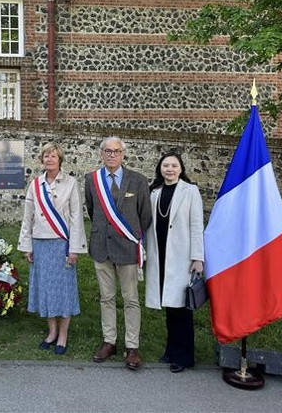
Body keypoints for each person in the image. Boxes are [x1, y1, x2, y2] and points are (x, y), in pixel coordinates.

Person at [85, 137, 151, 370]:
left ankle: (132, 346)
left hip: (127, 247)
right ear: (101, 154)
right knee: (107, 297)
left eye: (116, 151)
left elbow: (145, 216)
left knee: (131, 299)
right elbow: (93, 211)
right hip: (101, 247)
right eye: (107, 151)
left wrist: (131, 237)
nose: (112, 155)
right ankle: (109, 341)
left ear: (123, 154)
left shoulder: (138, 181)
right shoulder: (92, 180)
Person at [18, 143, 87, 355]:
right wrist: (26, 244)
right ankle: (52, 331)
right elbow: (27, 216)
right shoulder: (35, 184)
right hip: (40, 243)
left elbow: (76, 218)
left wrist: (74, 248)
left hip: (61, 244)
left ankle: (63, 334)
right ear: (42, 160)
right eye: (46, 156)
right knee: (46, 289)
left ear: (60, 160)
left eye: (53, 156)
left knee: (63, 291)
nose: (49, 159)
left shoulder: (70, 183)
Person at [145, 151, 204, 373]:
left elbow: (197, 225)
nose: (169, 169)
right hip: (159, 255)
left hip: (181, 256)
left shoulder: (190, 192)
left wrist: (198, 257)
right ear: (160, 168)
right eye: (166, 165)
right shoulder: (154, 193)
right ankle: (171, 350)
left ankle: (184, 356)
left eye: (174, 166)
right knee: (170, 306)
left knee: (182, 309)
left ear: (181, 169)